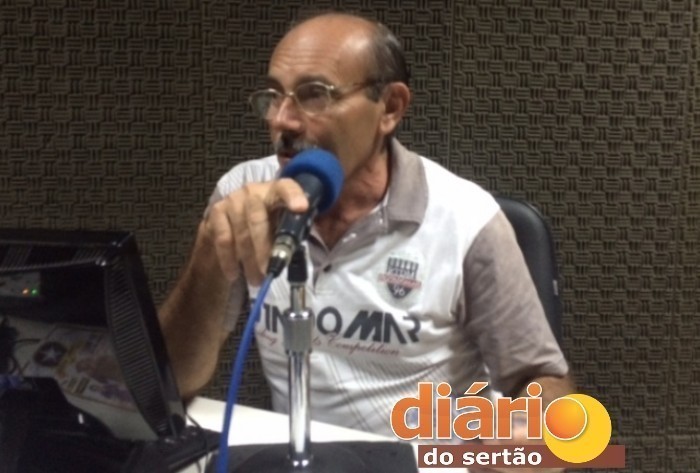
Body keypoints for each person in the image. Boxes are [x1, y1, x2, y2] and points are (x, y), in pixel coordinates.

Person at [159, 11, 573, 450]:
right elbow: (170, 385)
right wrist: (210, 251)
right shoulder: (245, 195)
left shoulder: (465, 219)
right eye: (274, 96)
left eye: (314, 95)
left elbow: (542, 383)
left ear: (390, 108)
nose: (282, 120)